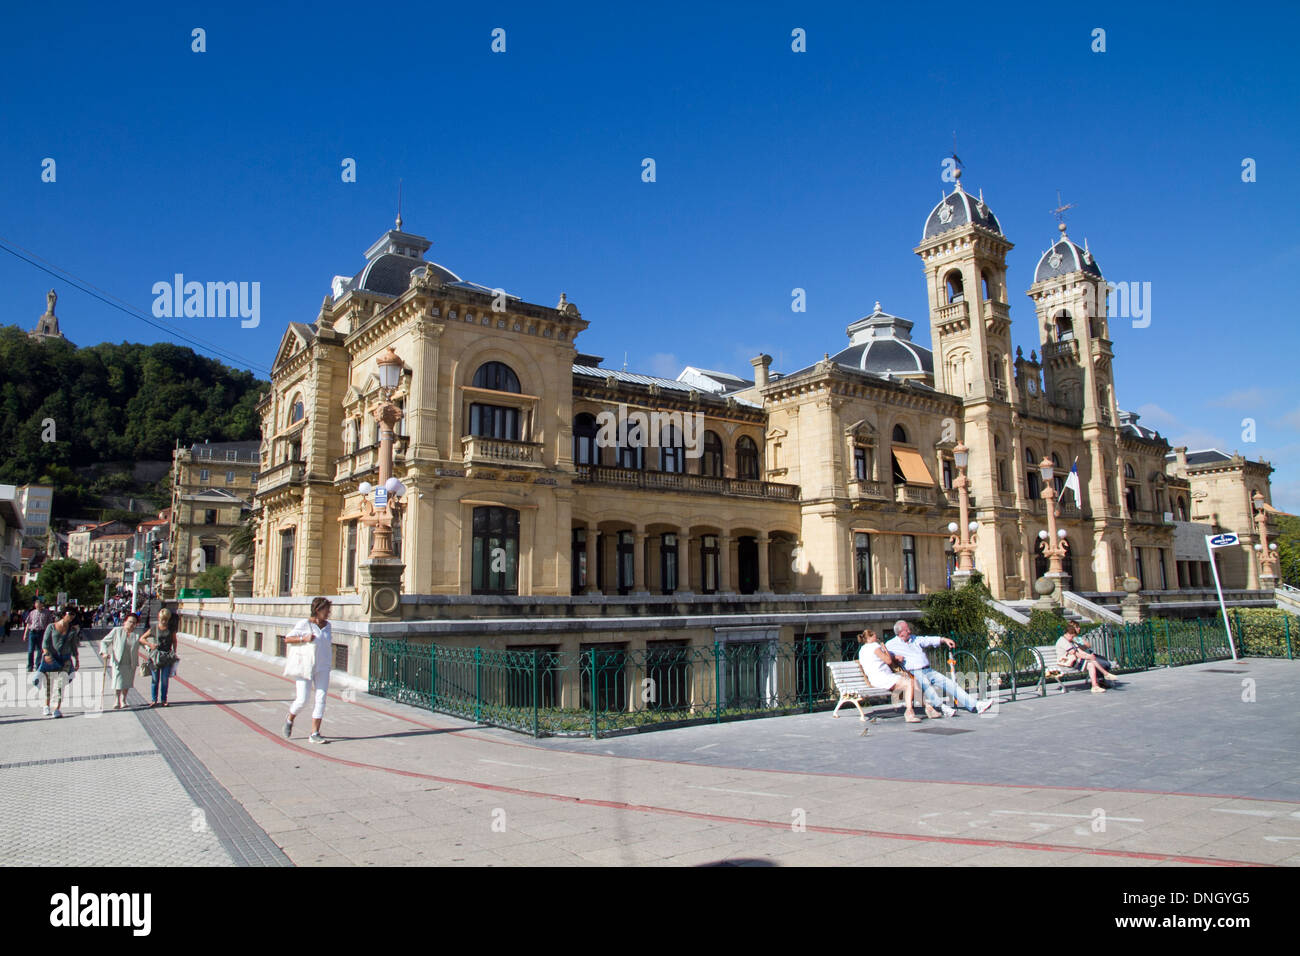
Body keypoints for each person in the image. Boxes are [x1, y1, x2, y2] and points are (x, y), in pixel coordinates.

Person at [885, 620, 995, 716]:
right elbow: (884, 656)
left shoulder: (914, 639)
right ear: (900, 633)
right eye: (906, 629)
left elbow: (927, 640)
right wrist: (894, 657)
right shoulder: (891, 644)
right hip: (914, 672)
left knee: (950, 683)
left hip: (928, 669)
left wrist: (943, 639)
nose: (909, 631)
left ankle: (975, 705)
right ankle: (941, 707)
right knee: (927, 687)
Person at [283, 597, 333, 744]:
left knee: (321, 699)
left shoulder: (328, 626)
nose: (328, 613)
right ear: (317, 610)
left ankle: (314, 733)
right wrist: (303, 638)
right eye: (326, 610)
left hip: (323, 667)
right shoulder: (305, 624)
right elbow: (287, 638)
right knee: (302, 700)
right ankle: (290, 718)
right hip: (306, 667)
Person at [857, 629, 922, 722]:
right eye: (875, 635)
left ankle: (927, 707)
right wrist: (885, 649)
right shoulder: (875, 646)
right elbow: (888, 661)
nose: (877, 638)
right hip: (883, 678)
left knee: (913, 681)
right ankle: (910, 712)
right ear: (870, 637)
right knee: (910, 682)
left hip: (876, 678)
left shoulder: (862, 650)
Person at [39, 608, 80, 718]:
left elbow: (73, 646)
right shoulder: (51, 627)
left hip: (65, 660)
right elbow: (45, 643)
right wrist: (47, 654)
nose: (71, 616)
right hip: (51, 658)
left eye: (74, 615)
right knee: (49, 683)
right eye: (70, 613)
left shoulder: (72, 630)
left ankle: (57, 708)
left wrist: (76, 659)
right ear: (63, 614)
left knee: (60, 685)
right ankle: (46, 705)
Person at [1057, 621, 1118, 693]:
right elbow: (1075, 653)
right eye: (1072, 636)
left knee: (1091, 663)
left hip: (1074, 660)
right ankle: (1104, 675)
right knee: (1092, 661)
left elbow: (1081, 649)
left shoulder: (1071, 640)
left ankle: (1095, 686)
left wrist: (1088, 656)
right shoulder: (1063, 641)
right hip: (1066, 661)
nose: (1072, 638)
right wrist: (1088, 657)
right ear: (1068, 633)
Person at [99, 611, 143, 710]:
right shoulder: (117, 631)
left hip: (130, 661)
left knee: (127, 682)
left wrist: (151, 649)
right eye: (130, 621)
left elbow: (143, 644)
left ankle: (123, 699)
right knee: (118, 681)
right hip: (118, 660)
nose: (131, 624)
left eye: (134, 623)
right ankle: (116, 699)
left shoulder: (136, 635)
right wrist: (104, 652)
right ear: (125, 622)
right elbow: (104, 642)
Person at [139, 608, 179, 707]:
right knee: (155, 679)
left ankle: (164, 699)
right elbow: (142, 638)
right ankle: (154, 700)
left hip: (166, 657)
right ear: (159, 618)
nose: (164, 621)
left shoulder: (171, 629)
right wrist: (150, 645)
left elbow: (174, 640)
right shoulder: (154, 628)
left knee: (165, 679)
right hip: (155, 657)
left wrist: (174, 651)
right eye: (162, 619)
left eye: (166, 619)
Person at [23, 599, 56, 672]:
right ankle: (30, 666)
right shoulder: (32, 613)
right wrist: (25, 634)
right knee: (30, 650)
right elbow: (28, 623)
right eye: (36, 605)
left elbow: (49, 624)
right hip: (32, 632)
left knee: (39, 650)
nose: (37, 606)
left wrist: (49, 634)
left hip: (41, 633)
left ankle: (38, 665)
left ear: (42, 605)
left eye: (39, 605)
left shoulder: (47, 613)